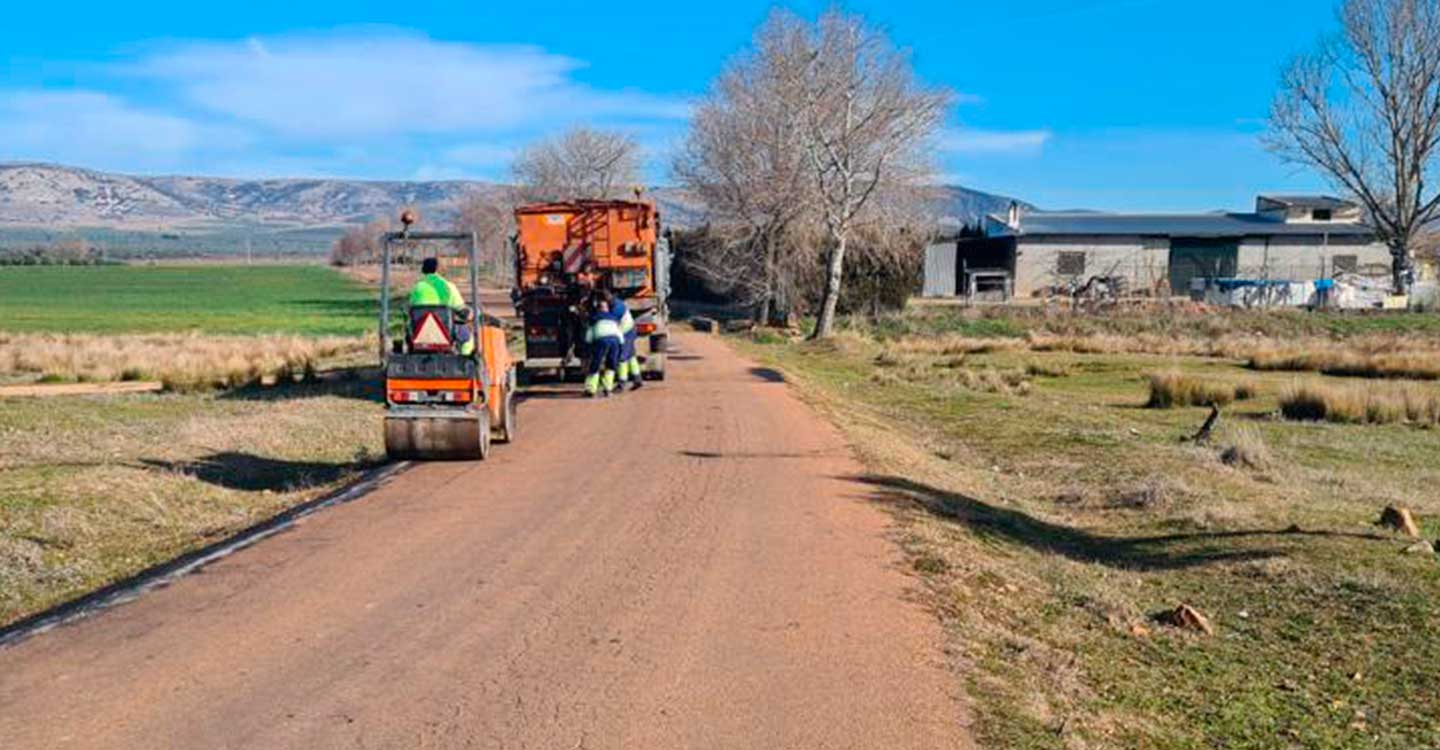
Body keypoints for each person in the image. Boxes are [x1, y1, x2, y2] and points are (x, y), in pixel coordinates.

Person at [408, 257, 474, 356]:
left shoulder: (417, 287)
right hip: (445, 333)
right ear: (438, 269)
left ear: (423, 270)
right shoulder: (448, 286)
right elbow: (462, 311)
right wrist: (470, 314)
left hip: (419, 334)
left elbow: (411, 308)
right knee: (467, 337)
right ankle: (465, 359)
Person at [583, 295, 622, 398]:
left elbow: (589, 335)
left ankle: (591, 389)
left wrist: (587, 346)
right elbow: (619, 334)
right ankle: (608, 390)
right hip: (614, 340)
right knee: (611, 365)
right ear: (607, 309)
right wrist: (621, 346)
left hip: (601, 340)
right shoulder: (614, 318)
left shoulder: (594, 318)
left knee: (595, 364)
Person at [609, 295, 643, 392]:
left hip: (626, 332)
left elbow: (608, 320)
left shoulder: (616, 310)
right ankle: (637, 379)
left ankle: (622, 383)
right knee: (631, 356)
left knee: (622, 357)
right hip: (630, 329)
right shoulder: (618, 302)